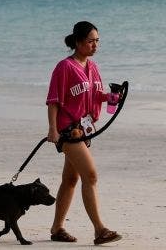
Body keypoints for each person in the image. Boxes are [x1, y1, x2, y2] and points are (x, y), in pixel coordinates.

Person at [45, 21, 122, 245]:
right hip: (68, 131)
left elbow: (95, 95)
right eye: (90, 41)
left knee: (70, 179)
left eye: (97, 41)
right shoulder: (64, 67)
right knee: (90, 175)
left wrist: (109, 98)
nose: (95, 45)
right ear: (78, 42)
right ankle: (100, 230)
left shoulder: (92, 67)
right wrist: (53, 129)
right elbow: (53, 101)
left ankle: (57, 228)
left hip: (85, 130)